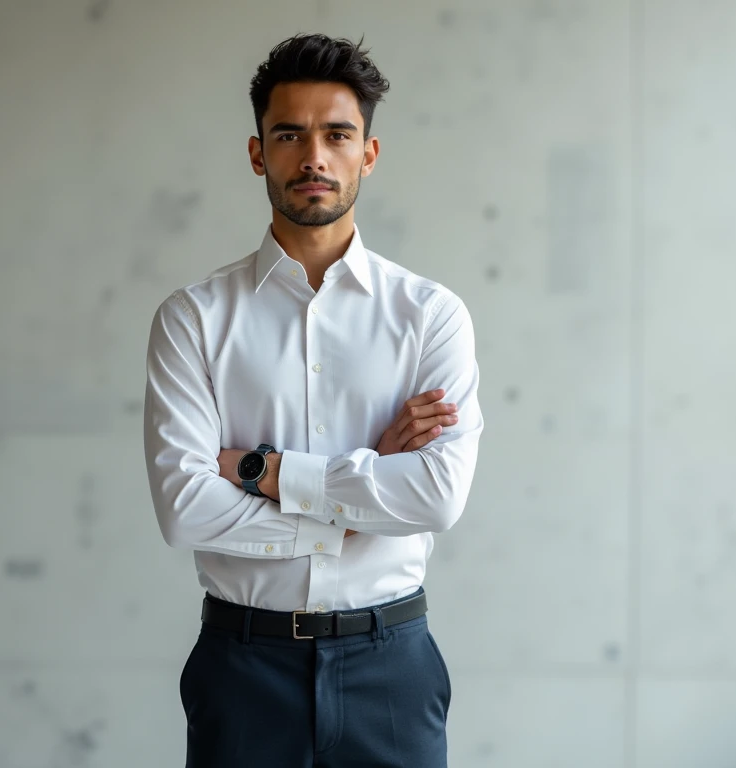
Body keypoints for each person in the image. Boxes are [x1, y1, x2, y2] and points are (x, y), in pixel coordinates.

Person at [143, 32, 483, 768]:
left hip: (390, 666)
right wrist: (365, 489)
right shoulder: (193, 319)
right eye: (290, 135)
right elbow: (183, 508)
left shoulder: (430, 316)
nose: (314, 157)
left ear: (369, 153)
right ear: (258, 152)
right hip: (243, 668)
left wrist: (263, 472)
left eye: (338, 134)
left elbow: (437, 498)